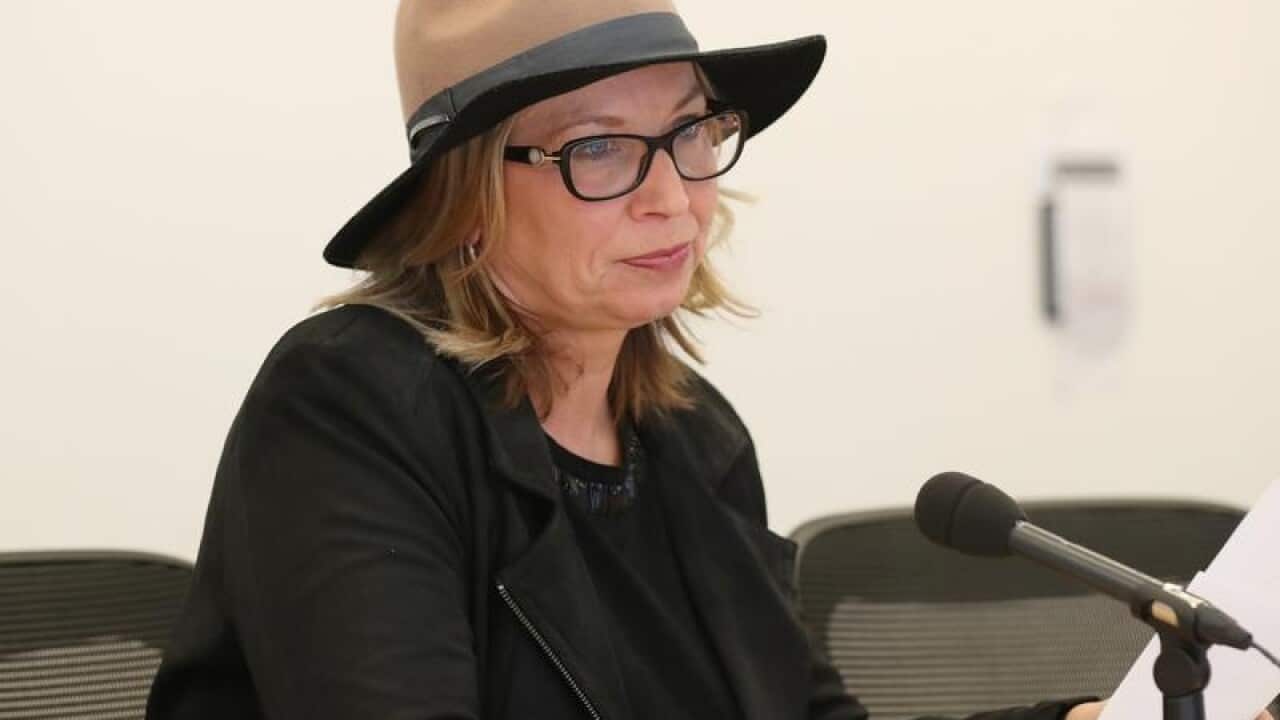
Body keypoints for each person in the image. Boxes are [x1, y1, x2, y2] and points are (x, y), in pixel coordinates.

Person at [144, 2, 1274, 719]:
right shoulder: (348, 402)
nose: (670, 192)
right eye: (599, 149)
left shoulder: (687, 433)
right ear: (464, 202)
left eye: (688, 132)